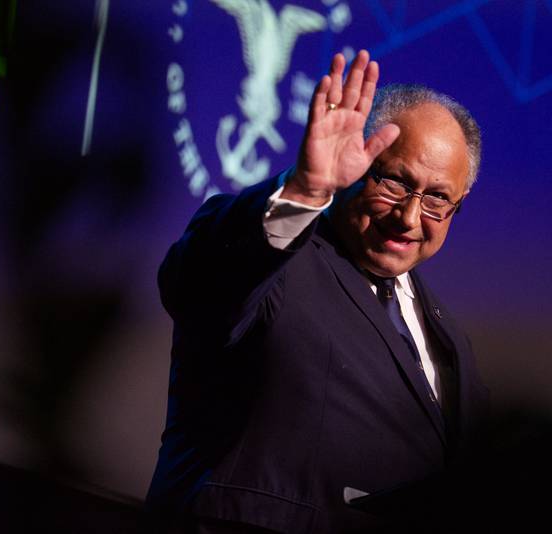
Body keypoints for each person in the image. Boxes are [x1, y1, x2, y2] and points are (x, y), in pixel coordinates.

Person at [146, 50, 490, 533]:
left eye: (436, 198)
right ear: (360, 162)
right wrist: (305, 191)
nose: (410, 218)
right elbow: (196, 285)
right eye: (393, 182)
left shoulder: (446, 333)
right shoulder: (275, 258)